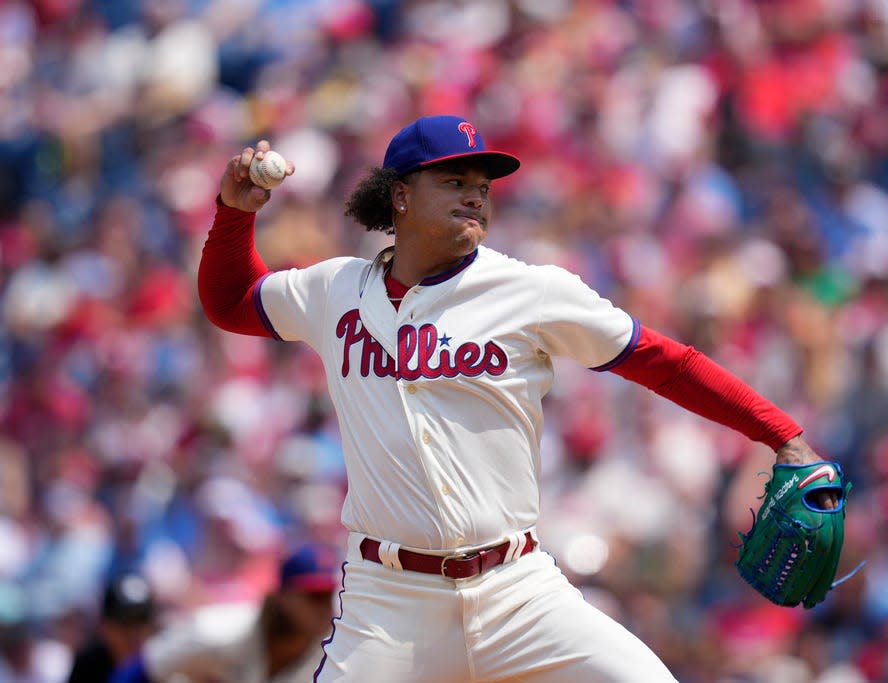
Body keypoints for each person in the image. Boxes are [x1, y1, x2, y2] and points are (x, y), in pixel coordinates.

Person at [196, 114, 836, 682]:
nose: (475, 191)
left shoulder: (531, 290)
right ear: (399, 195)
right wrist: (235, 211)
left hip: (517, 592)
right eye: (452, 179)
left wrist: (782, 434)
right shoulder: (333, 289)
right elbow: (230, 303)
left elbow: (665, 363)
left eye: (482, 181)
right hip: (389, 605)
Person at [109, 542, 338, 683]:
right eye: (313, 596)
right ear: (282, 596)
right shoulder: (220, 630)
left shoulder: (333, 656)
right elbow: (143, 667)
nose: (322, 607)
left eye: (327, 596)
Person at [66, 573, 159, 683]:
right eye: (126, 625)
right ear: (105, 627)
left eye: (141, 624)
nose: (134, 634)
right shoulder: (88, 664)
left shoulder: (162, 661)